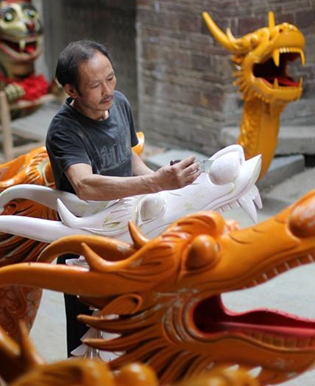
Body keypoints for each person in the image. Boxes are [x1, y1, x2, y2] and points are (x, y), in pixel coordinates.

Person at [46, 40, 201, 356]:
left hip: (131, 231)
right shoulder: (64, 130)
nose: (107, 90)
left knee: (138, 331)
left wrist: (167, 181)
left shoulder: (119, 104)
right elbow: (85, 184)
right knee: (90, 344)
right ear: (71, 90)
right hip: (87, 244)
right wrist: (154, 182)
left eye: (111, 78)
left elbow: (130, 160)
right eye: (95, 85)